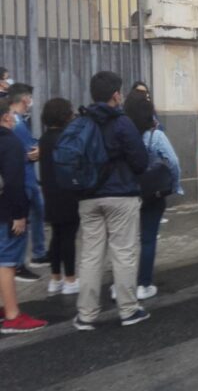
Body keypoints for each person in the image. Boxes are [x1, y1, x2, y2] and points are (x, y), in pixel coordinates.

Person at [74, 71, 150, 330]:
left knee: (90, 255)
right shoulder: (123, 123)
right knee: (124, 252)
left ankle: (86, 314)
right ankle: (128, 310)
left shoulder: (82, 122)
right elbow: (140, 160)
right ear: (116, 95)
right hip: (120, 195)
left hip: (88, 197)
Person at [124, 91, 183, 301]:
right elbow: (174, 162)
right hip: (151, 194)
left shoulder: (121, 134)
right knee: (148, 240)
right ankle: (143, 284)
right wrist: (175, 185)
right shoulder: (155, 136)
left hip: (124, 193)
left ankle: (122, 284)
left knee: (124, 242)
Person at [0, 98, 47, 334]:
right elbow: (14, 181)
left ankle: (5, 308)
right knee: (7, 263)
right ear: (7, 117)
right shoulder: (9, 142)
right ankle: (12, 315)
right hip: (7, 212)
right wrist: (19, 215)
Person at [39, 98, 80, 296]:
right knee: (68, 237)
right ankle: (70, 279)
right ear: (64, 115)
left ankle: (55, 279)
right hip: (67, 193)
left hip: (50, 192)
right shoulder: (66, 138)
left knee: (56, 236)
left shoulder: (44, 138)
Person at [7, 83, 45, 281]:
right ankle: (18, 264)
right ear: (24, 99)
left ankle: (37, 253)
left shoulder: (19, 120)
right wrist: (38, 152)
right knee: (21, 220)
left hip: (27, 177)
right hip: (23, 178)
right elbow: (31, 150)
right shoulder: (16, 122)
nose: (31, 102)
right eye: (30, 98)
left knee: (35, 212)